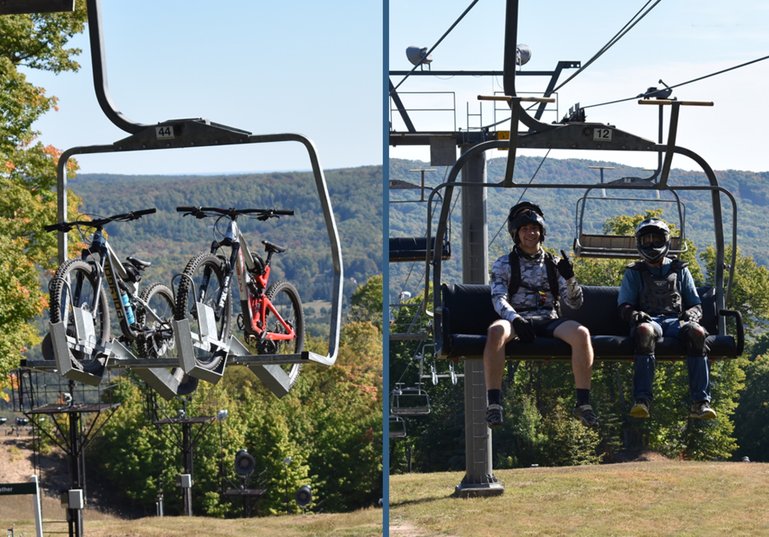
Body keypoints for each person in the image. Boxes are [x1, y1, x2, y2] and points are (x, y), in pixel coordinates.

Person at [483, 201, 598, 428]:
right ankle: (494, 404)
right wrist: (514, 318)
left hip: (548, 319)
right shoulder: (504, 264)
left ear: (542, 232)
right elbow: (498, 297)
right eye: (525, 229)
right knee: (495, 331)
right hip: (518, 319)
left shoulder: (553, 264)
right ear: (516, 234)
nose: (531, 233)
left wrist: (570, 279)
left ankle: (583, 403)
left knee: (582, 334)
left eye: (534, 229)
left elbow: (574, 303)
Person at [618, 217, 717, 420]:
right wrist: (635, 314)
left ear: (666, 241)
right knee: (644, 332)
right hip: (650, 320)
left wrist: (692, 315)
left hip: (676, 321)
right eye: (647, 240)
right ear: (640, 243)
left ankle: (700, 402)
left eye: (656, 239)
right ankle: (642, 400)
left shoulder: (679, 270)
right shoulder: (634, 272)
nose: (652, 244)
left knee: (697, 334)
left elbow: (695, 303)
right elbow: (624, 305)